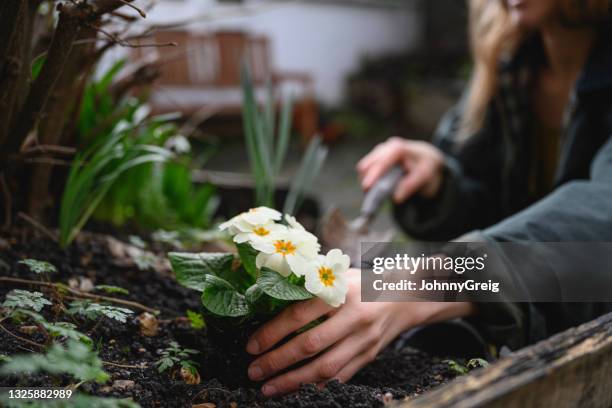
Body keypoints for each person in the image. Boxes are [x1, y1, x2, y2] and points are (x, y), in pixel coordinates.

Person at [245, 0, 612, 397]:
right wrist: (441, 181)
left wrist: (429, 280)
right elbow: (496, 213)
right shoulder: (509, 65)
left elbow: (598, 222)